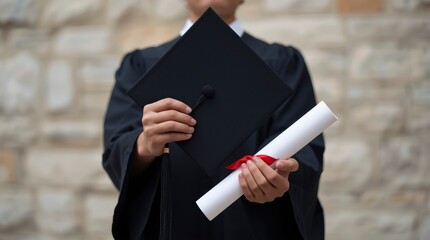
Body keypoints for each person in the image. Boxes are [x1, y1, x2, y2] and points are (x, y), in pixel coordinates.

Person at [103, 0, 325, 239]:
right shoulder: (140, 66)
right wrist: (145, 144)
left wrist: (281, 179)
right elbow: (117, 149)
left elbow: (304, 152)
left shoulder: (283, 64)